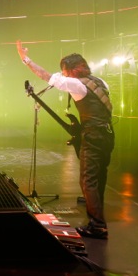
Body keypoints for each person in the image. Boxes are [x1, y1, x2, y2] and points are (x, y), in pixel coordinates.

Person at [16, 41, 114, 239]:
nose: (63, 74)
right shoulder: (100, 81)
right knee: (99, 177)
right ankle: (96, 211)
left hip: (93, 136)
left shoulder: (76, 84)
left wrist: (25, 59)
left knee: (87, 180)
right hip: (108, 134)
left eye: (64, 71)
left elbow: (46, 76)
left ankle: (98, 226)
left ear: (71, 70)